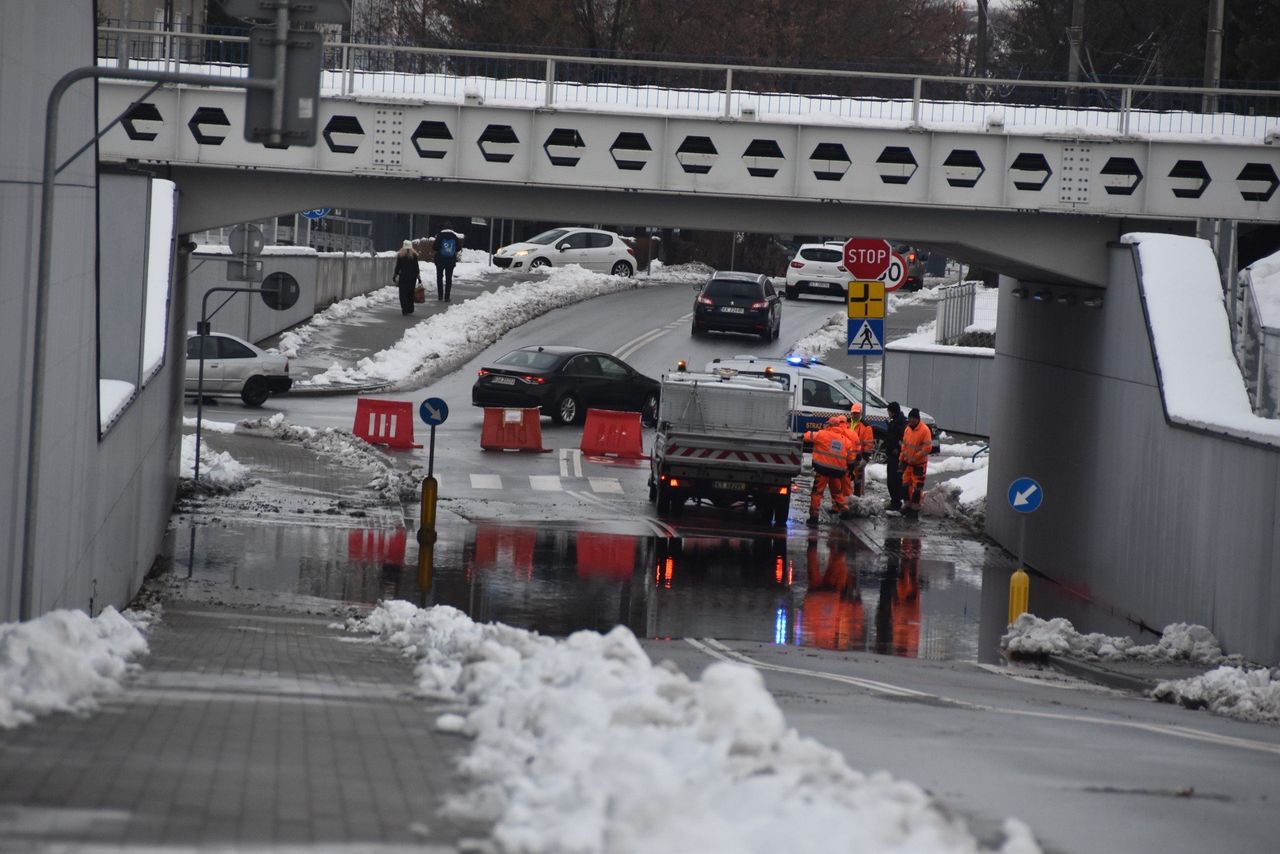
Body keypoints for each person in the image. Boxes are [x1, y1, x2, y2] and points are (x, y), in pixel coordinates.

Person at [803, 415, 855, 526]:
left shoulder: (822, 434)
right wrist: (851, 469)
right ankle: (845, 510)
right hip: (837, 472)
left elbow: (807, 436)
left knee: (817, 492)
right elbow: (851, 457)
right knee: (837, 491)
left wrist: (806, 434)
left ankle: (814, 517)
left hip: (822, 470)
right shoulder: (845, 440)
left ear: (830, 425)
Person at [900, 407, 932, 519]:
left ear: (918, 419)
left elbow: (927, 448)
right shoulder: (907, 429)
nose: (912, 420)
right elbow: (904, 445)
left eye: (914, 418)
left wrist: (915, 457)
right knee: (905, 485)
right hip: (908, 463)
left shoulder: (925, 430)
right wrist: (901, 459)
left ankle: (915, 509)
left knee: (917, 488)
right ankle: (907, 505)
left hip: (919, 465)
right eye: (910, 418)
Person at [845, 402, 875, 498]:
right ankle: (846, 496)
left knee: (858, 479)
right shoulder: (846, 423)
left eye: (857, 413)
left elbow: (868, 444)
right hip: (846, 456)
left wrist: (865, 458)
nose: (855, 415)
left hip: (858, 457)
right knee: (845, 478)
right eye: (854, 413)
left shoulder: (866, 427)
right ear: (851, 413)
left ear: (860, 413)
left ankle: (857, 496)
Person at [883, 401, 907, 512]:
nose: (888, 413)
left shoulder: (899, 423)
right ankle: (896, 501)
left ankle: (896, 502)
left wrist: (896, 449)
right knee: (894, 480)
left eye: (888, 411)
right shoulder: (897, 421)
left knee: (894, 480)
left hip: (896, 457)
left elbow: (899, 439)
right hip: (894, 455)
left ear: (892, 411)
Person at [432, 224, 463, 301]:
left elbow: (434, 247)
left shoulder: (440, 236)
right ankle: (447, 296)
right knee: (448, 278)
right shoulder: (454, 236)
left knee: (439, 277)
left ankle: (440, 296)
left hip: (440, 260)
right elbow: (459, 248)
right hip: (450, 261)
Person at [393, 239, 420, 315]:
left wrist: (395, 275)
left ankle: (404, 309)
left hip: (403, 277)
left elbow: (398, 267)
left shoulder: (400, 255)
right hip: (412, 277)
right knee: (410, 293)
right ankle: (410, 308)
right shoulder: (414, 255)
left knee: (403, 294)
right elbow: (416, 267)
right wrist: (418, 277)